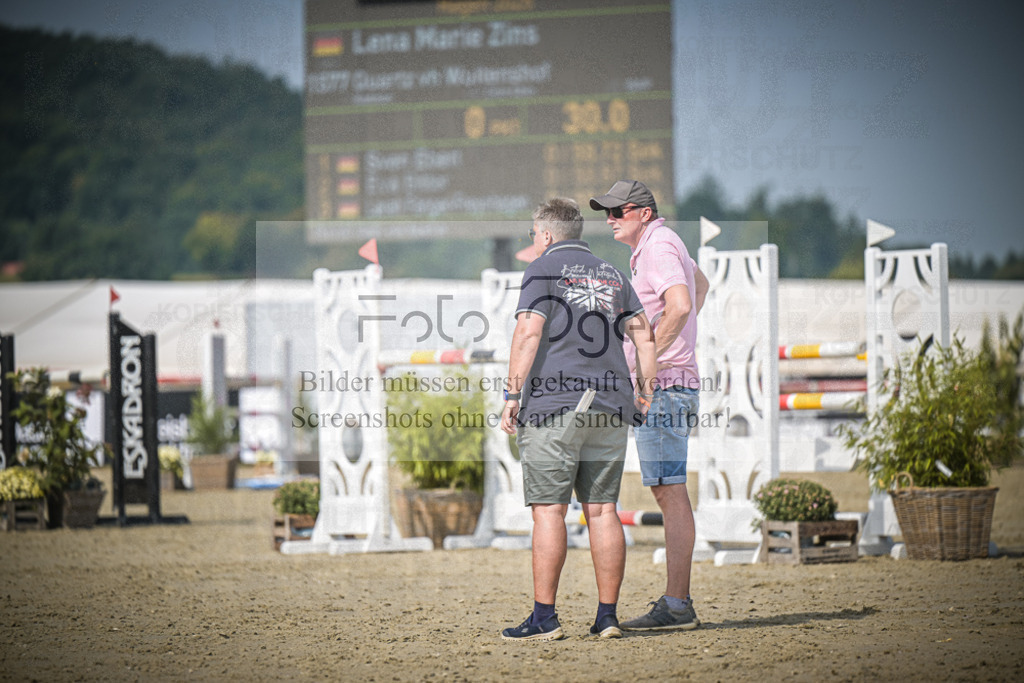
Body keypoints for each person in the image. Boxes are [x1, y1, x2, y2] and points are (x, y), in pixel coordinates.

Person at [499, 197, 658, 641]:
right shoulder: (613, 273)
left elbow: (529, 331)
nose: (532, 242)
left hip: (556, 404)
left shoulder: (541, 270)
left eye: (534, 235)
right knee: (603, 510)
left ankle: (544, 618)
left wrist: (512, 394)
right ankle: (607, 617)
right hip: (611, 406)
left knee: (550, 510)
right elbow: (644, 336)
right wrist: (645, 391)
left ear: (546, 235)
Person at [589, 179, 710, 631]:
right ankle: (677, 601)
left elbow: (680, 304)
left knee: (669, 491)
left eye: (617, 212)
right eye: (607, 212)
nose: (610, 220)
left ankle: (678, 604)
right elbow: (700, 285)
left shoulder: (657, 247)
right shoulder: (664, 243)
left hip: (664, 386)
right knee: (668, 488)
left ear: (642, 212)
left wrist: (649, 360)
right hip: (675, 382)